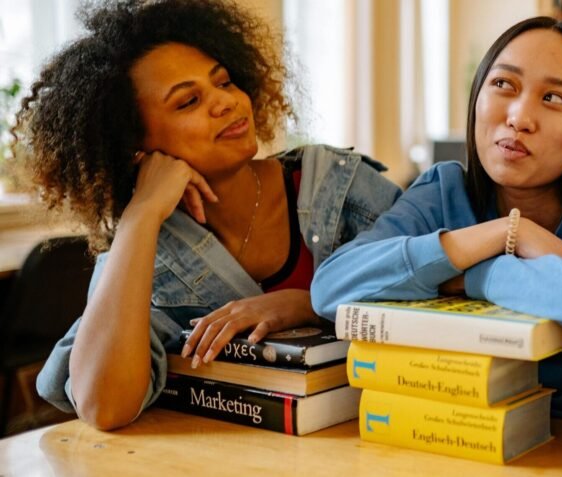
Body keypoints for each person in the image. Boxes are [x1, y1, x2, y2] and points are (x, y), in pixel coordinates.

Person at [16, 0, 402, 430]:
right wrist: (141, 214)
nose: (225, 102)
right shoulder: (145, 251)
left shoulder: (342, 189)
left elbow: (452, 301)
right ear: (134, 144)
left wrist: (311, 305)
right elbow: (104, 406)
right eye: (188, 102)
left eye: (224, 82)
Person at [310, 16, 562, 420]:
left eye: (554, 98)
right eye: (504, 85)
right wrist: (502, 233)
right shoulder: (442, 191)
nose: (519, 118)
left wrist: (472, 276)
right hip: (451, 435)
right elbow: (331, 286)